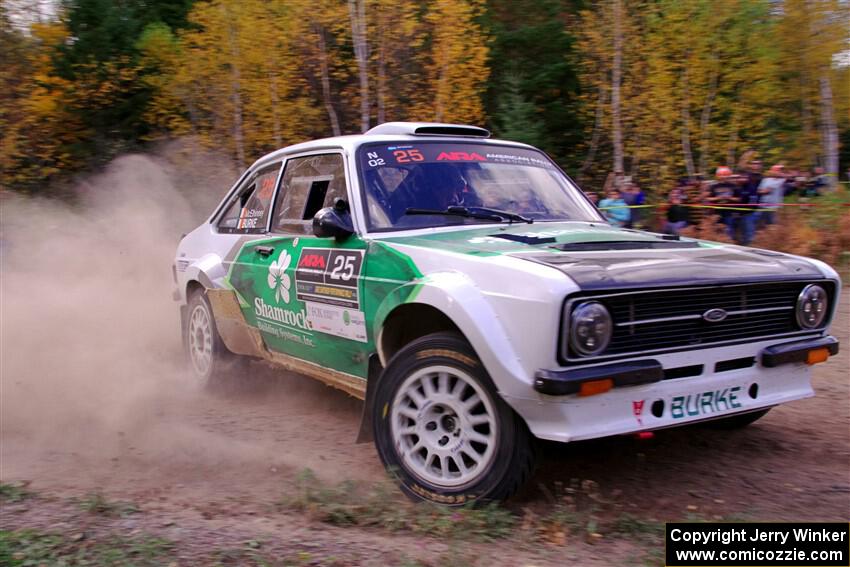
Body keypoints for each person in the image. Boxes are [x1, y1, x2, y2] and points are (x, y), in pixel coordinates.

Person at [706, 166, 738, 239]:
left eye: (725, 174)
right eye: (721, 174)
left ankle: (730, 244)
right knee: (717, 230)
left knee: (729, 230)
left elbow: (738, 199)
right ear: (718, 175)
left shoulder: (733, 186)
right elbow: (709, 198)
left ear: (728, 175)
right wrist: (717, 198)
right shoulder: (713, 186)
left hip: (729, 212)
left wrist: (730, 198)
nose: (723, 176)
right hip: (717, 213)